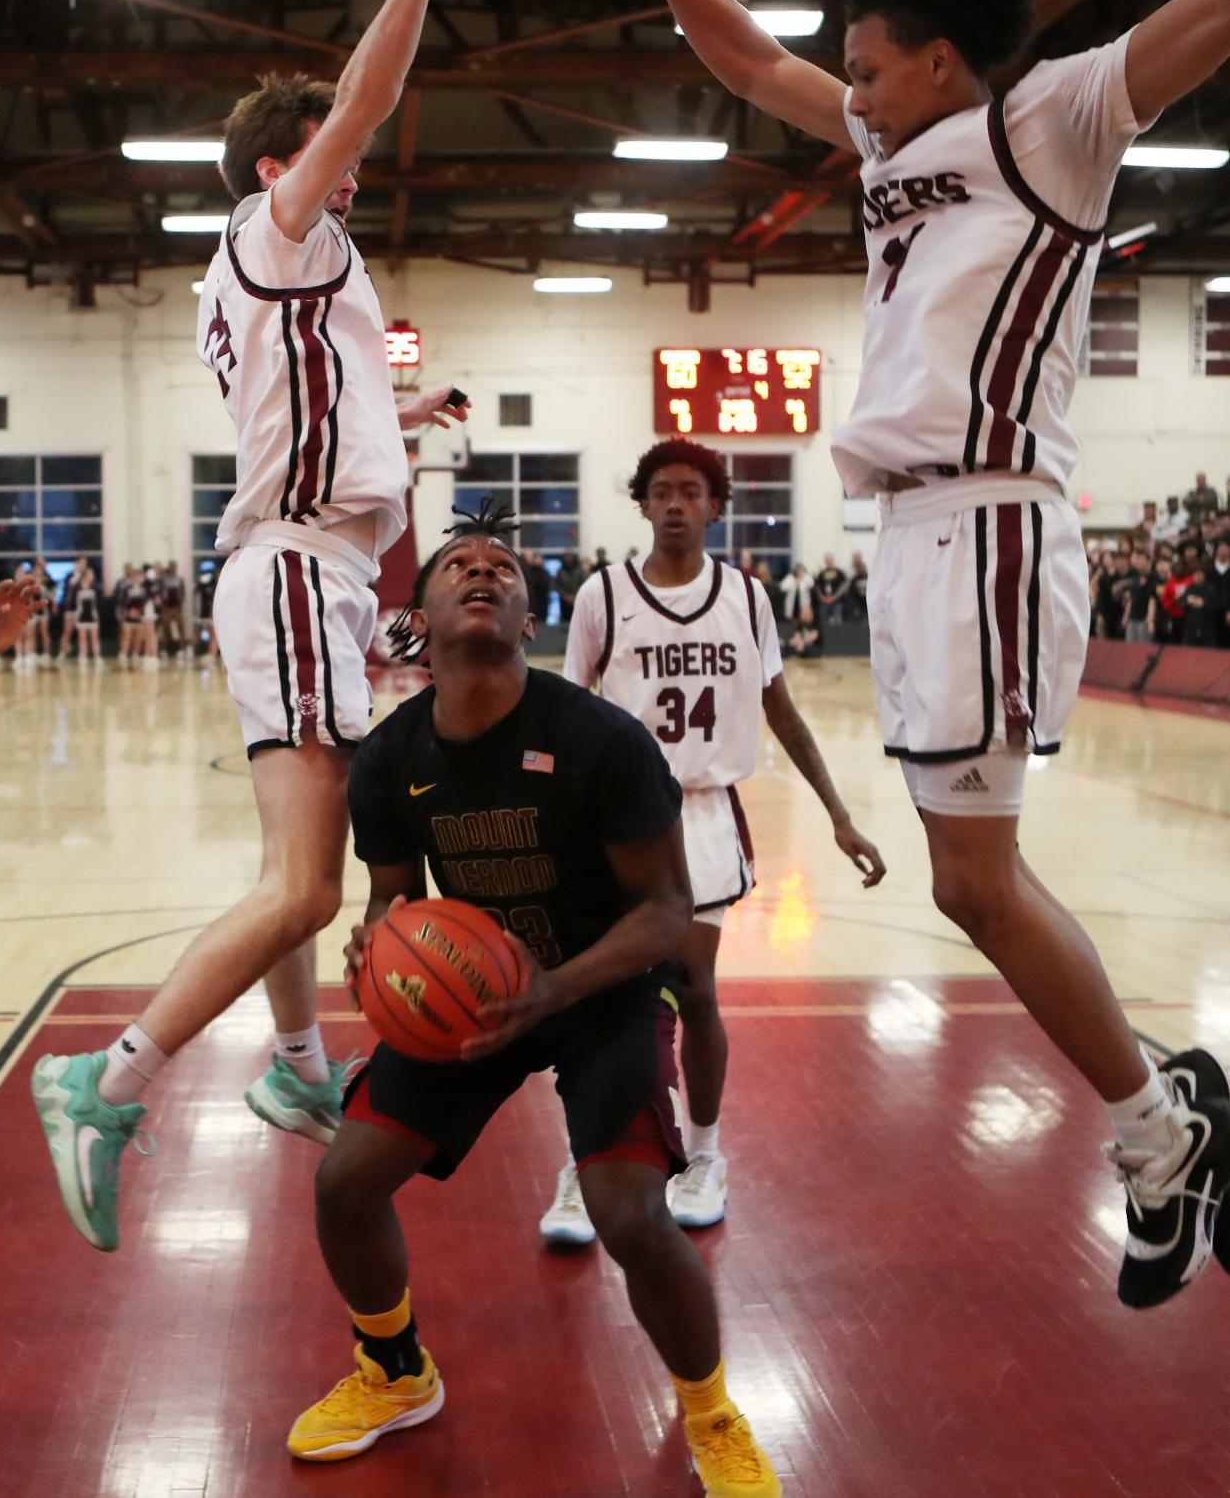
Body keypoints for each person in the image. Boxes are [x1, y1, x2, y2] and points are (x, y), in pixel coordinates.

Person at [548, 0, 1230, 1309]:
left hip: (983, 518)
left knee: (972, 883)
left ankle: (1162, 1133)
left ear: (939, 56)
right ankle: (1161, 1102)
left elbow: (1218, 8)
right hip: (914, 536)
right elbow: (744, 63)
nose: (847, 90)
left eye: (864, 64)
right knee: (968, 879)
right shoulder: (887, 136)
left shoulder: (1053, 117)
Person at [30, 0, 508, 1257]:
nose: (345, 169)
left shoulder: (275, 279)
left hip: (304, 574)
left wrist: (400, 421)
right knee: (305, 883)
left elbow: (303, 408)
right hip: (298, 574)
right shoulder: (280, 230)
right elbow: (362, 102)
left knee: (291, 856)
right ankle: (105, 1081)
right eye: (318, 155)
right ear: (271, 171)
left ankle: (298, 1059)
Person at [289, 501, 781, 1496]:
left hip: (600, 986)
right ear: (418, 615)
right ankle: (394, 1373)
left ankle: (713, 1412)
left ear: (528, 612)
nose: (484, 572)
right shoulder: (390, 761)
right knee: (344, 1181)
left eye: (503, 566)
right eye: (458, 563)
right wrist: (377, 945)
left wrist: (552, 986)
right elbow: (392, 896)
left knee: (631, 1216)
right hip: (475, 996)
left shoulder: (600, 739)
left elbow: (664, 910)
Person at [541, 439, 884, 1243]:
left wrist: (838, 813)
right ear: (642, 502)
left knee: (694, 986)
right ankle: (585, 1161)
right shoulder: (604, 595)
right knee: (597, 997)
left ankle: (703, 1155)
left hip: (701, 813)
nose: (674, 504)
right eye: (660, 490)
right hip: (617, 818)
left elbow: (782, 709)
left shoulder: (746, 596)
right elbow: (567, 713)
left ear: (715, 504)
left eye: (690, 491)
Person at [0, 571, 45, 670]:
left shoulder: (26, 590)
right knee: (21, 638)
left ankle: (28, 655)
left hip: (23, 616)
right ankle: (19, 656)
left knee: (28, 636)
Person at [159, 559, 189, 661]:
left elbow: (183, 593)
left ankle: (182, 649)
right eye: (172, 566)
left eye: (175, 567)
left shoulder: (180, 579)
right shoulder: (164, 579)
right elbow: (160, 593)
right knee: (165, 629)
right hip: (167, 608)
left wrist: (180, 606)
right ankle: (163, 650)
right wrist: (163, 607)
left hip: (177, 608)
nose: (173, 568)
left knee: (181, 628)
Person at [74, 567, 102, 668]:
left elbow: (98, 601)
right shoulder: (77, 587)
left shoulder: (95, 587)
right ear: (85, 575)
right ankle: (82, 657)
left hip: (92, 616)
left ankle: (97, 657)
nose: (92, 577)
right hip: (81, 616)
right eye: (90, 574)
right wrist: (75, 615)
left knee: (94, 638)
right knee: (82, 638)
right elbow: (74, 603)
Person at [813, 553, 847, 624]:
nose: (829, 562)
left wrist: (835, 597)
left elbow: (844, 585)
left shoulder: (839, 573)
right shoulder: (821, 573)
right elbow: (817, 587)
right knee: (823, 620)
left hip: (837, 601)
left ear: (833, 561)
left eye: (830, 560)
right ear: (825, 561)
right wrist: (822, 597)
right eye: (827, 560)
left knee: (837, 620)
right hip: (824, 601)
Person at [555, 550, 586, 622]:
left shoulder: (580, 571)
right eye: (566, 557)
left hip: (577, 599)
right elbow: (556, 585)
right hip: (564, 600)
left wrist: (576, 596)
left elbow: (584, 584)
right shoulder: (560, 571)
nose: (568, 559)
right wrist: (564, 595)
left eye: (570, 557)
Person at [843, 551, 870, 623]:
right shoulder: (851, 574)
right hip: (855, 599)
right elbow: (849, 588)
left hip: (865, 598)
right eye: (855, 558)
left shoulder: (867, 574)